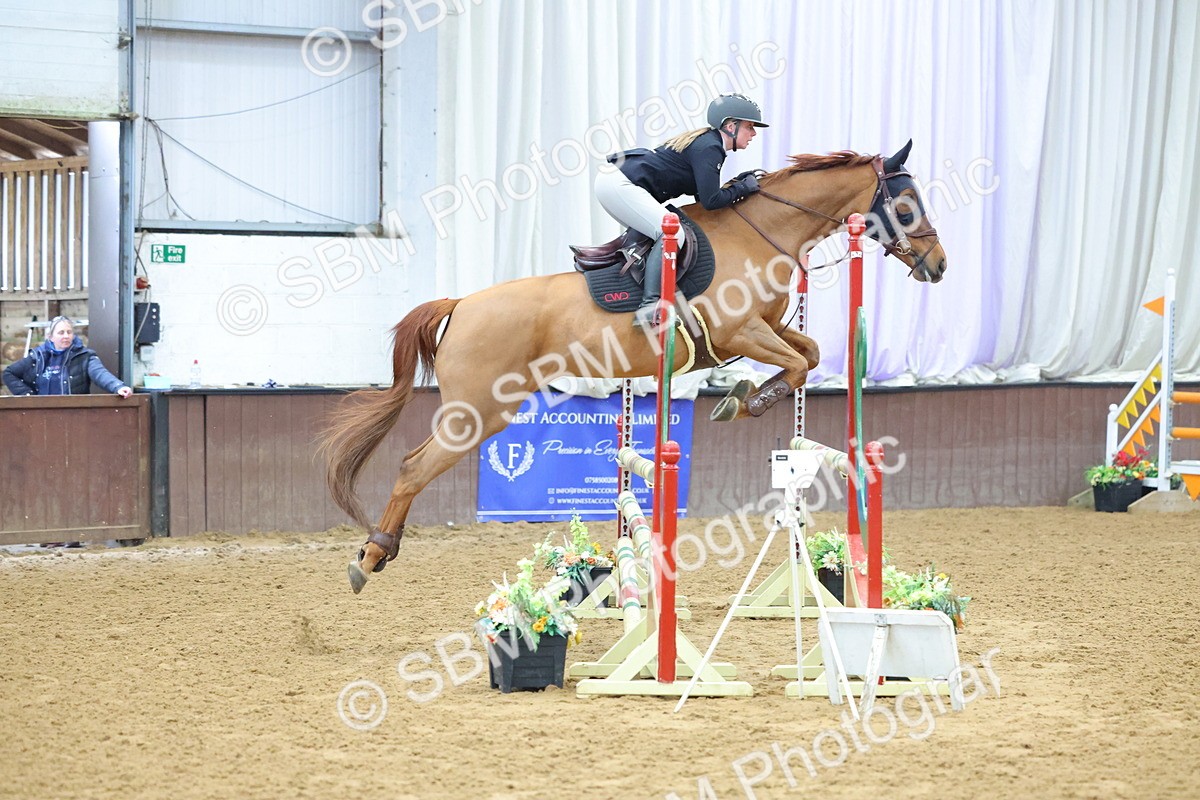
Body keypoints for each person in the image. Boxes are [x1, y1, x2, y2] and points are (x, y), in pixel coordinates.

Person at [595, 93, 769, 328]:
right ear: (730, 126)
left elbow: (703, 199)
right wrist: (743, 189)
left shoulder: (709, 144)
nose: (754, 133)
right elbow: (710, 201)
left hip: (618, 181)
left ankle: (634, 290)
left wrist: (737, 186)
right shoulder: (710, 147)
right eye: (749, 127)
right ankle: (650, 306)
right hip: (620, 184)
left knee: (661, 232)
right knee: (672, 233)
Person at [2, 316, 133, 398]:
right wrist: (28, 396)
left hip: (74, 414)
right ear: (50, 337)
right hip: (41, 414)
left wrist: (118, 387)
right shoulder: (37, 356)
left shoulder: (85, 356)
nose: (66, 336)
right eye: (61, 333)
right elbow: (9, 373)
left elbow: (100, 374)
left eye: (69, 332)